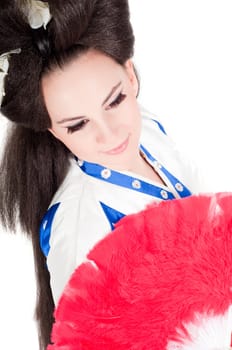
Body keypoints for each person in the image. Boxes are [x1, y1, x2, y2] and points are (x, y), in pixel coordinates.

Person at [0, 0, 205, 349]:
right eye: (78, 124)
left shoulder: (148, 130)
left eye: (114, 101)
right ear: (51, 130)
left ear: (129, 73)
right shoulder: (82, 226)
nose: (110, 134)